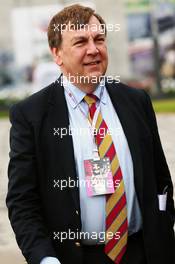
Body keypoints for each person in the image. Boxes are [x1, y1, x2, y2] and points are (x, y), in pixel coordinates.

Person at [6, 4, 174, 264]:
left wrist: (164, 235)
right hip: (76, 257)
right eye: (81, 42)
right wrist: (44, 259)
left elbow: (161, 179)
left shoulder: (136, 101)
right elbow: (22, 201)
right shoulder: (32, 115)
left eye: (99, 39)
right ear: (57, 54)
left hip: (143, 253)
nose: (93, 49)